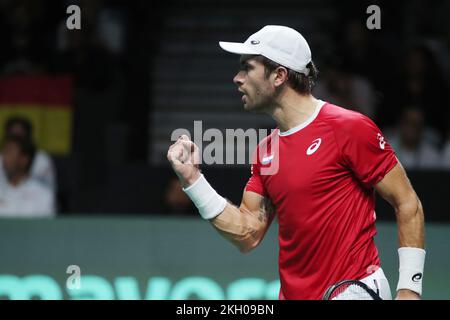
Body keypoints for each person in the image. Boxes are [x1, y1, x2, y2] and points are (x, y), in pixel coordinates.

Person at [167, 26, 425, 300]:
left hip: (352, 290)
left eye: (247, 68)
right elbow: (247, 233)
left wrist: (409, 289)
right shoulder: (267, 151)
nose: (237, 78)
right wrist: (193, 179)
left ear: (279, 75)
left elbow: (407, 202)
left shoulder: (348, 128)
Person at [0, 135, 55, 217]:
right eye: (3, 152)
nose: (3, 157)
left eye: (9, 152)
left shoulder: (43, 195)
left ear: (24, 159)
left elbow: (46, 228)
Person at [0, 116, 57, 192]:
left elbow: (50, 189)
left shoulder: (42, 159)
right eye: (13, 136)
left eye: (20, 137)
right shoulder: (2, 157)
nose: (16, 141)